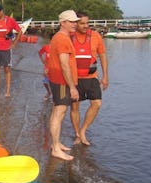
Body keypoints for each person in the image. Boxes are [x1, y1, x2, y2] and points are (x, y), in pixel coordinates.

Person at [70, 12, 109, 145]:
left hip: (92, 77)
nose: (85, 26)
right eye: (82, 23)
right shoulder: (69, 36)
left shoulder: (96, 36)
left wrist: (105, 76)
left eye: (87, 23)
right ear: (75, 23)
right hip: (74, 79)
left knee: (97, 103)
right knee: (75, 107)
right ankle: (77, 134)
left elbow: (103, 55)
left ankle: (83, 131)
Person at [47, 10, 80, 161]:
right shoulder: (62, 39)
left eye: (75, 21)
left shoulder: (61, 37)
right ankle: (55, 148)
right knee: (59, 113)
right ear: (62, 22)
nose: (75, 24)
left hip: (58, 80)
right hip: (61, 82)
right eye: (71, 21)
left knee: (57, 112)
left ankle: (56, 143)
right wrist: (72, 87)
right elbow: (64, 65)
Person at [38, 35, 53, 100]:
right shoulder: (46, 47)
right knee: (45, 82)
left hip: (55, 68)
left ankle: (55, 95)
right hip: (47, 67)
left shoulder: (58, 48)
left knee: (54, 82)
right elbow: (40, 52)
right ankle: (49, 92)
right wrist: (42, 60)